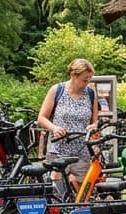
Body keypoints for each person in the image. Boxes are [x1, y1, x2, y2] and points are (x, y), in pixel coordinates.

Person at [37, 58, 99, 193]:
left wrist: (94, 129)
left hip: (82, 150)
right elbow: (41, 118)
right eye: (84, 79)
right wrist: (54, 128)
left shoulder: (90, 93)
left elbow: (95, 121)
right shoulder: (57, 90)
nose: (87, 82)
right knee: (58, 191)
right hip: (58, 149)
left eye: (89, 78)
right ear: (73, 76)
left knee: (82, 193)